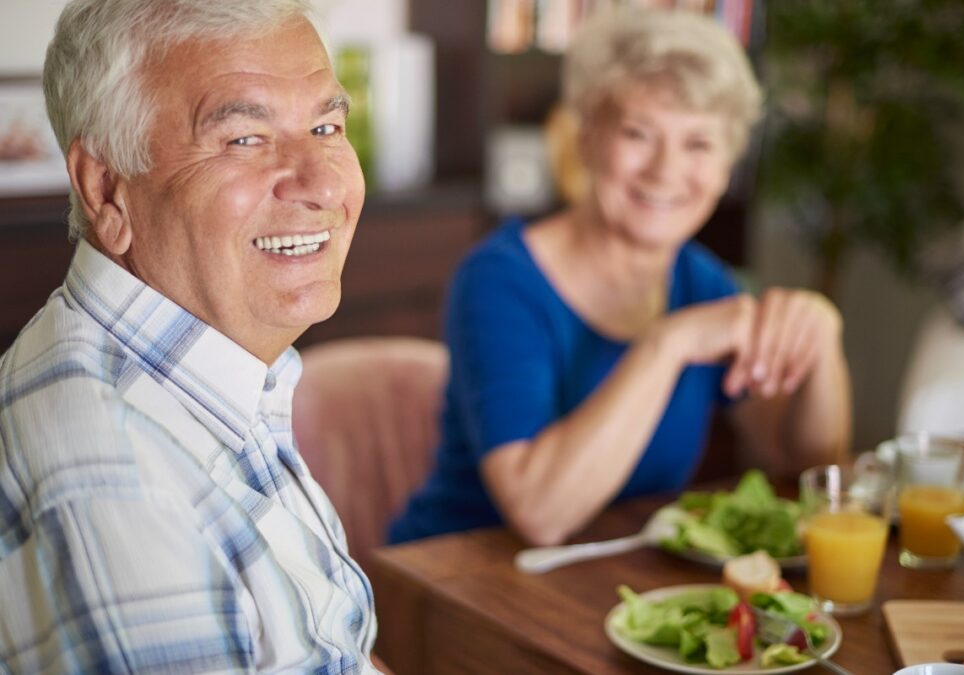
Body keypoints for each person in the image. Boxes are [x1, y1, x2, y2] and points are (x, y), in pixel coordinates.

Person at [0, 1, 381, 671]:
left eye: (326, 125)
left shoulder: (211, 366)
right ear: (105, 187)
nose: (323, 183)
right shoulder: (116, 483)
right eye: (244, 139)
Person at [390, 8, 851, 547]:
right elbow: (540, 513)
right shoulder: (499, 279)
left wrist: (822, 340)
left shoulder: (702, 282)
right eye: (638, 133)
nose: (665, 171)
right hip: (460, 582)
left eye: (698, 144)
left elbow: (806, 466)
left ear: (726, 168)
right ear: (585, 139)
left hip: (610, 583)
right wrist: (666, 343)